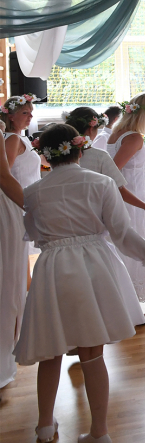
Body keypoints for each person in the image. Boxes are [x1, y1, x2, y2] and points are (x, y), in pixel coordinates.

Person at [4, 124, 145, 443]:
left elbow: (34, 234)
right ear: (80, 149)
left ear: (44, 156)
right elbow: (122, 234)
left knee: (50, 350)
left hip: (52, 267)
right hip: (93, 264)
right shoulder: (100, 183)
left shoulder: (32, 192)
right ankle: (99, 432)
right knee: (91, 352)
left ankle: (44, 427)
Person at [66, 107, 145, 313]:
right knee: (120, 248)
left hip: (74, 216)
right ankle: (125, 308)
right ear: (92, 128)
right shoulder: (98, 156)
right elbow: (118, 186)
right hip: (98, 212)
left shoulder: (63, 156)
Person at [106, 93, 145, 302]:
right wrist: (143, 205)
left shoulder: (119, 133)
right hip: (131, 197)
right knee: (134, 246)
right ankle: (130, 303)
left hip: (133, 193)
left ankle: (128, 302)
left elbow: (137, 163)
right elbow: (114, 171)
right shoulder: (133, 137)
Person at [0, 94, 39, 391]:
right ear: (11, 116)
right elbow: (7, 175)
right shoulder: (12, 140)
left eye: (30, 111)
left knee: (20, 270)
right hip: (14, 204)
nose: (29, 115)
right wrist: (29, 205)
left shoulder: (19, 138)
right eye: (24, 112)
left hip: (20, 204)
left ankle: (19, 331)